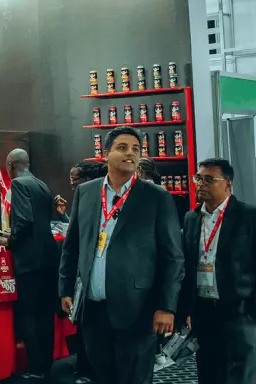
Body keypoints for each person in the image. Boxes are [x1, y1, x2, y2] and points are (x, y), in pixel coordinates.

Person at [58, 126, 183, 384]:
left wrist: (166, 306)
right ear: (106, 153)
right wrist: (66, 289)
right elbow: (72, 246)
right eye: (122, 148)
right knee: (102, 376)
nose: (130, 154)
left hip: (138, 309)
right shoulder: (87, 192)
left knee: (134, 378)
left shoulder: (156, 197)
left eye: (136, 149)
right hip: (92, 308)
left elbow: (173, 257)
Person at [175, 158, 256, 384]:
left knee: (242, 373)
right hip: (204, 309)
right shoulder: (192, 218)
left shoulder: (250, 216)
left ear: (228, 184)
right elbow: (186, 265)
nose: (201, 184)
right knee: (209, 370)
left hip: (240, 308)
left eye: (209, 179)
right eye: (198, 178)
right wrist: (185, 307)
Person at [5, 149, 59, 381]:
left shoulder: (18, 184)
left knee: (27, 313)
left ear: (10, 165)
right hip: (49, 256)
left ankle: (35, 366)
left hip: (28, 259)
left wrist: (10, 240)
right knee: (45, 313)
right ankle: (46, 365)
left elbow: (24, 220)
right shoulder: (41, 184)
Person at [60, 160, 105, 384]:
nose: (71, 184)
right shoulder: (84, 198)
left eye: (74, 180)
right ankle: (86, 371)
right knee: (86, 328)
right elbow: (72, 243)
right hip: (85, 279)